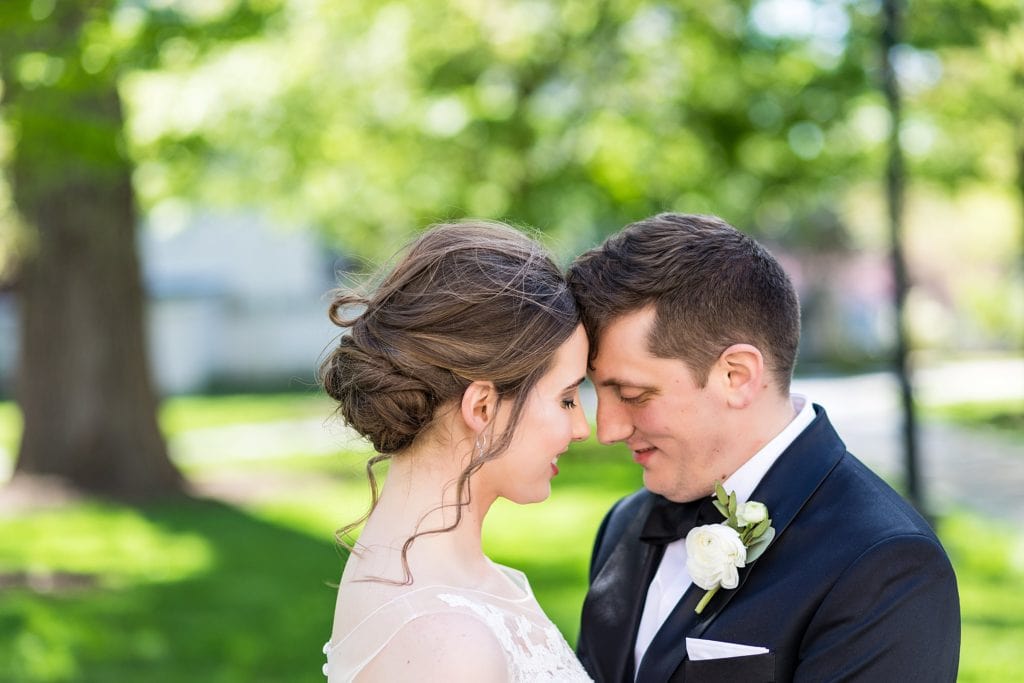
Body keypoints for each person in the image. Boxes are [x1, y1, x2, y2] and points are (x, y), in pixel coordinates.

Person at [568, 213, 960, 682]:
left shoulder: (885, 566)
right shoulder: (625, 526)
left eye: (633, 395)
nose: (606, 429)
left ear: (737, 376)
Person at [318, 220, 593, 682]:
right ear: (482, 406)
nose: (582, 428)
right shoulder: (446, 645)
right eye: (567, 398)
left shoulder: (462, 589)